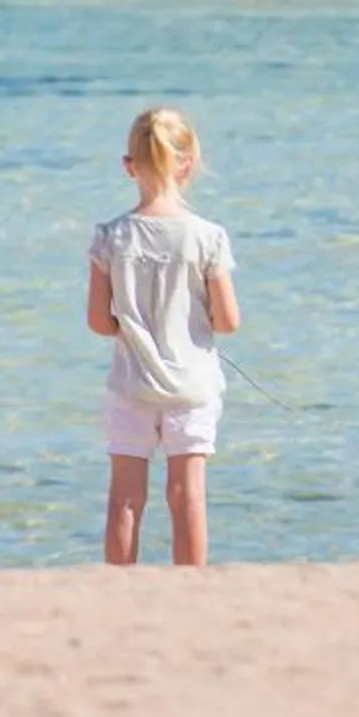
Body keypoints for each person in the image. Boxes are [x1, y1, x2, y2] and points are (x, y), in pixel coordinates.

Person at [88, 107, 241, 568]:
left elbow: (98, 321)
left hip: (132, 384)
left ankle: (118, 582)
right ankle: (190, 586)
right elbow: (229, 320)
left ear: (128, 165)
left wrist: (132, 329)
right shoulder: (208, 237)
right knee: (187, 496)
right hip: (192, 386)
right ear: (188, 162)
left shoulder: (111, 236)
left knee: (126, 498)